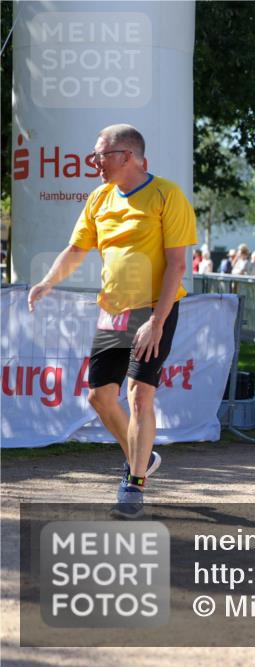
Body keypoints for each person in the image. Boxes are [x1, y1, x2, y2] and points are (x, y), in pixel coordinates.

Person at [27, 124, 197, 519]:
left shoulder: (167, 195)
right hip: (113, 311)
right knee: (100, 397)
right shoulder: (99, 198)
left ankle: (133, 484)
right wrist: (48, 281)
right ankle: (142, 455)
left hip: (156, 308)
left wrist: (157, 320)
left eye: (100, 154)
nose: (94, 162)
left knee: (140, 395)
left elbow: (177, 264)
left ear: (127, 156)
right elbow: (76, 249)